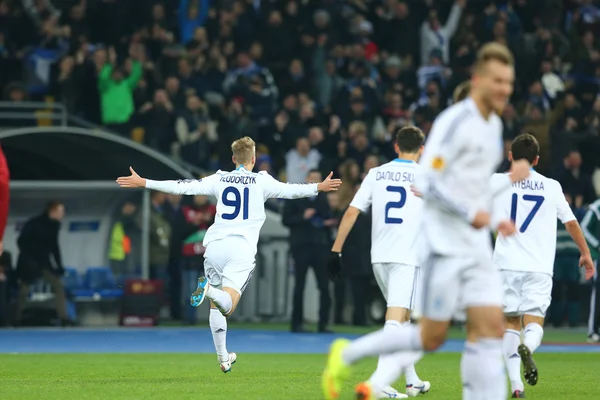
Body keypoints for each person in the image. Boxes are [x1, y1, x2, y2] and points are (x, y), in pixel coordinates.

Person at [321, 42, 530, 400]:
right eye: (497, 81)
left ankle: (390, 379)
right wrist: (475, 213)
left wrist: (494, 216)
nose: (504, 90)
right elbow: (429, 183)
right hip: (441, 247)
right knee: (430, 335)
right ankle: (357, 362)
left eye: (508, 83)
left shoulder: (493, 125)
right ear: (478, 79)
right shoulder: (454, 123)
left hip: (473, 246)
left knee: (490, 328)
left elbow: (473, 189)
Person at [116, 136, 341, 373]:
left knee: (216, 307)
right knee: (227, 305)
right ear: (254, 159)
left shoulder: (219, 178)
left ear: (234, 159)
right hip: (240, 249)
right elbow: (291, 191)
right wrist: (319, 187)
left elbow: (183, 186)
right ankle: (209, 290)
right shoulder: (262, 180)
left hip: (213, 247)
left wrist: (145, 182)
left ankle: (223, 358)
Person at [328, 126, 430, 399]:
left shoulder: (376, 173)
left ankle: (412, 381)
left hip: (380, 257)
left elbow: (352, 211)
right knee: (396, 319)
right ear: (421, 149)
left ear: (396, 146)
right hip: (407, 257)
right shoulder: (425, 175)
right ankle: (380, 381)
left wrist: (336, 250)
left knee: (403, 317)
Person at [491, 133, 595, 398]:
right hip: (538, 266)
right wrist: (586, 254)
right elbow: (571, 222)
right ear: (537, 159)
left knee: (510, 323)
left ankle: (516, 385)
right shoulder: (551, 186)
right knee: (534, 321)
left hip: (505, 266)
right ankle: (530, 346)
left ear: (510, 156)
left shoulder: (497, 182)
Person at [282, 169, 334, 333]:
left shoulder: (324, 197)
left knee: (324, 285)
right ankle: (296, 323)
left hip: (321, 247)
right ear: (306, 179)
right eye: (312, 179)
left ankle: (323, 324)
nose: (314, 182)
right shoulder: (295, 195)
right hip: (301, 246)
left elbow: (329, 218)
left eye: (317, 179)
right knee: (299, 285)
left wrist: (327, 222)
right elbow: (286, 220)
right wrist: (302, 217)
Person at [13, 201, 71, 326]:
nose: (63, 214)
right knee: (24, 290)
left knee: (58, 285)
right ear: (53, 211)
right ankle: (16, 319)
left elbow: (55, 247)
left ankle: (64, 318)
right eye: (61, 211)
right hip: (28, 263)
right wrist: (30, 260)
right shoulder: (34, 223)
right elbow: (21, 242)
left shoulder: (55, 226)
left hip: (44, 263)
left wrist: (59, 265)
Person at [582, 198, 600, 343]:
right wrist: (597, 244)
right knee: (597, 293)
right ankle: (593, 330)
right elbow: (584, 226)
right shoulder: (596, 207)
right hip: (599, 258)